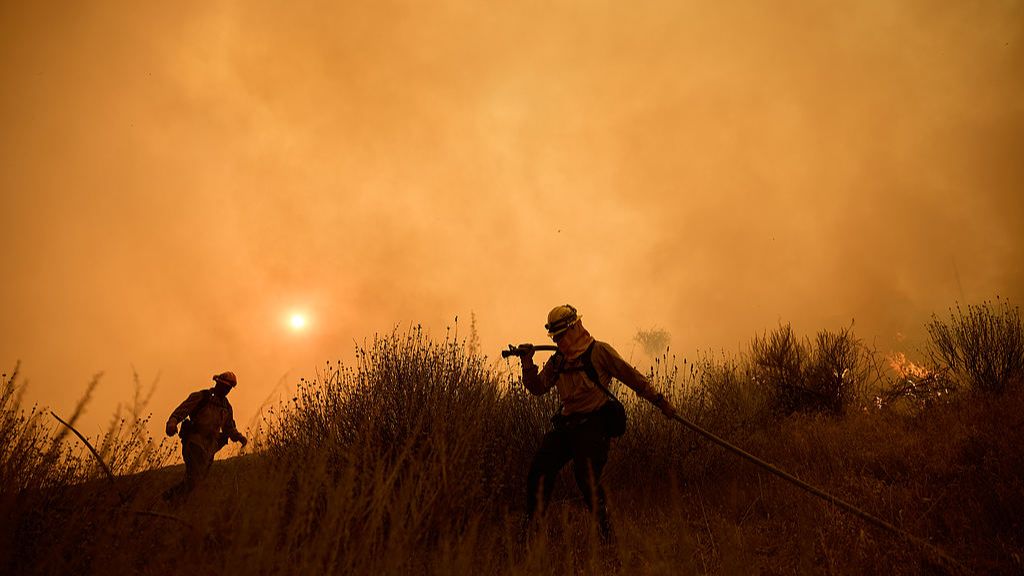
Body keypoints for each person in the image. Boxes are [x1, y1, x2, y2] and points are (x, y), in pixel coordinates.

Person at [515, 305, 677, 540]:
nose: (558, 341)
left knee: (586, 476)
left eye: (561, 335)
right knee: (540, 469)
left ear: (574, 327)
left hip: (594, 424)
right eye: (555, 337)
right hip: (567, 425)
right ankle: (532, 528)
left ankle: (605, 531)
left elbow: (633, 378)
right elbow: (538, 388)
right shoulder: (558, 361)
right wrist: (527, 364)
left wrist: (661, 402)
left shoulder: (599, 352)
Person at [163, 371, 247, 500]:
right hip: (194, 442)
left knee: (197, 481)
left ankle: (172, 500)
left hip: (210, 448)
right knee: (195, 476)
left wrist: (240, 438)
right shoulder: (201, 397)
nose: (226, 390)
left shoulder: (227, 407)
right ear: (217, 383)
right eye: (224, 386)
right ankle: (169, 499)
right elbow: (180, 412)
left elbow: (229, 428)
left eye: (229, 388)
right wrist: (172, 423)